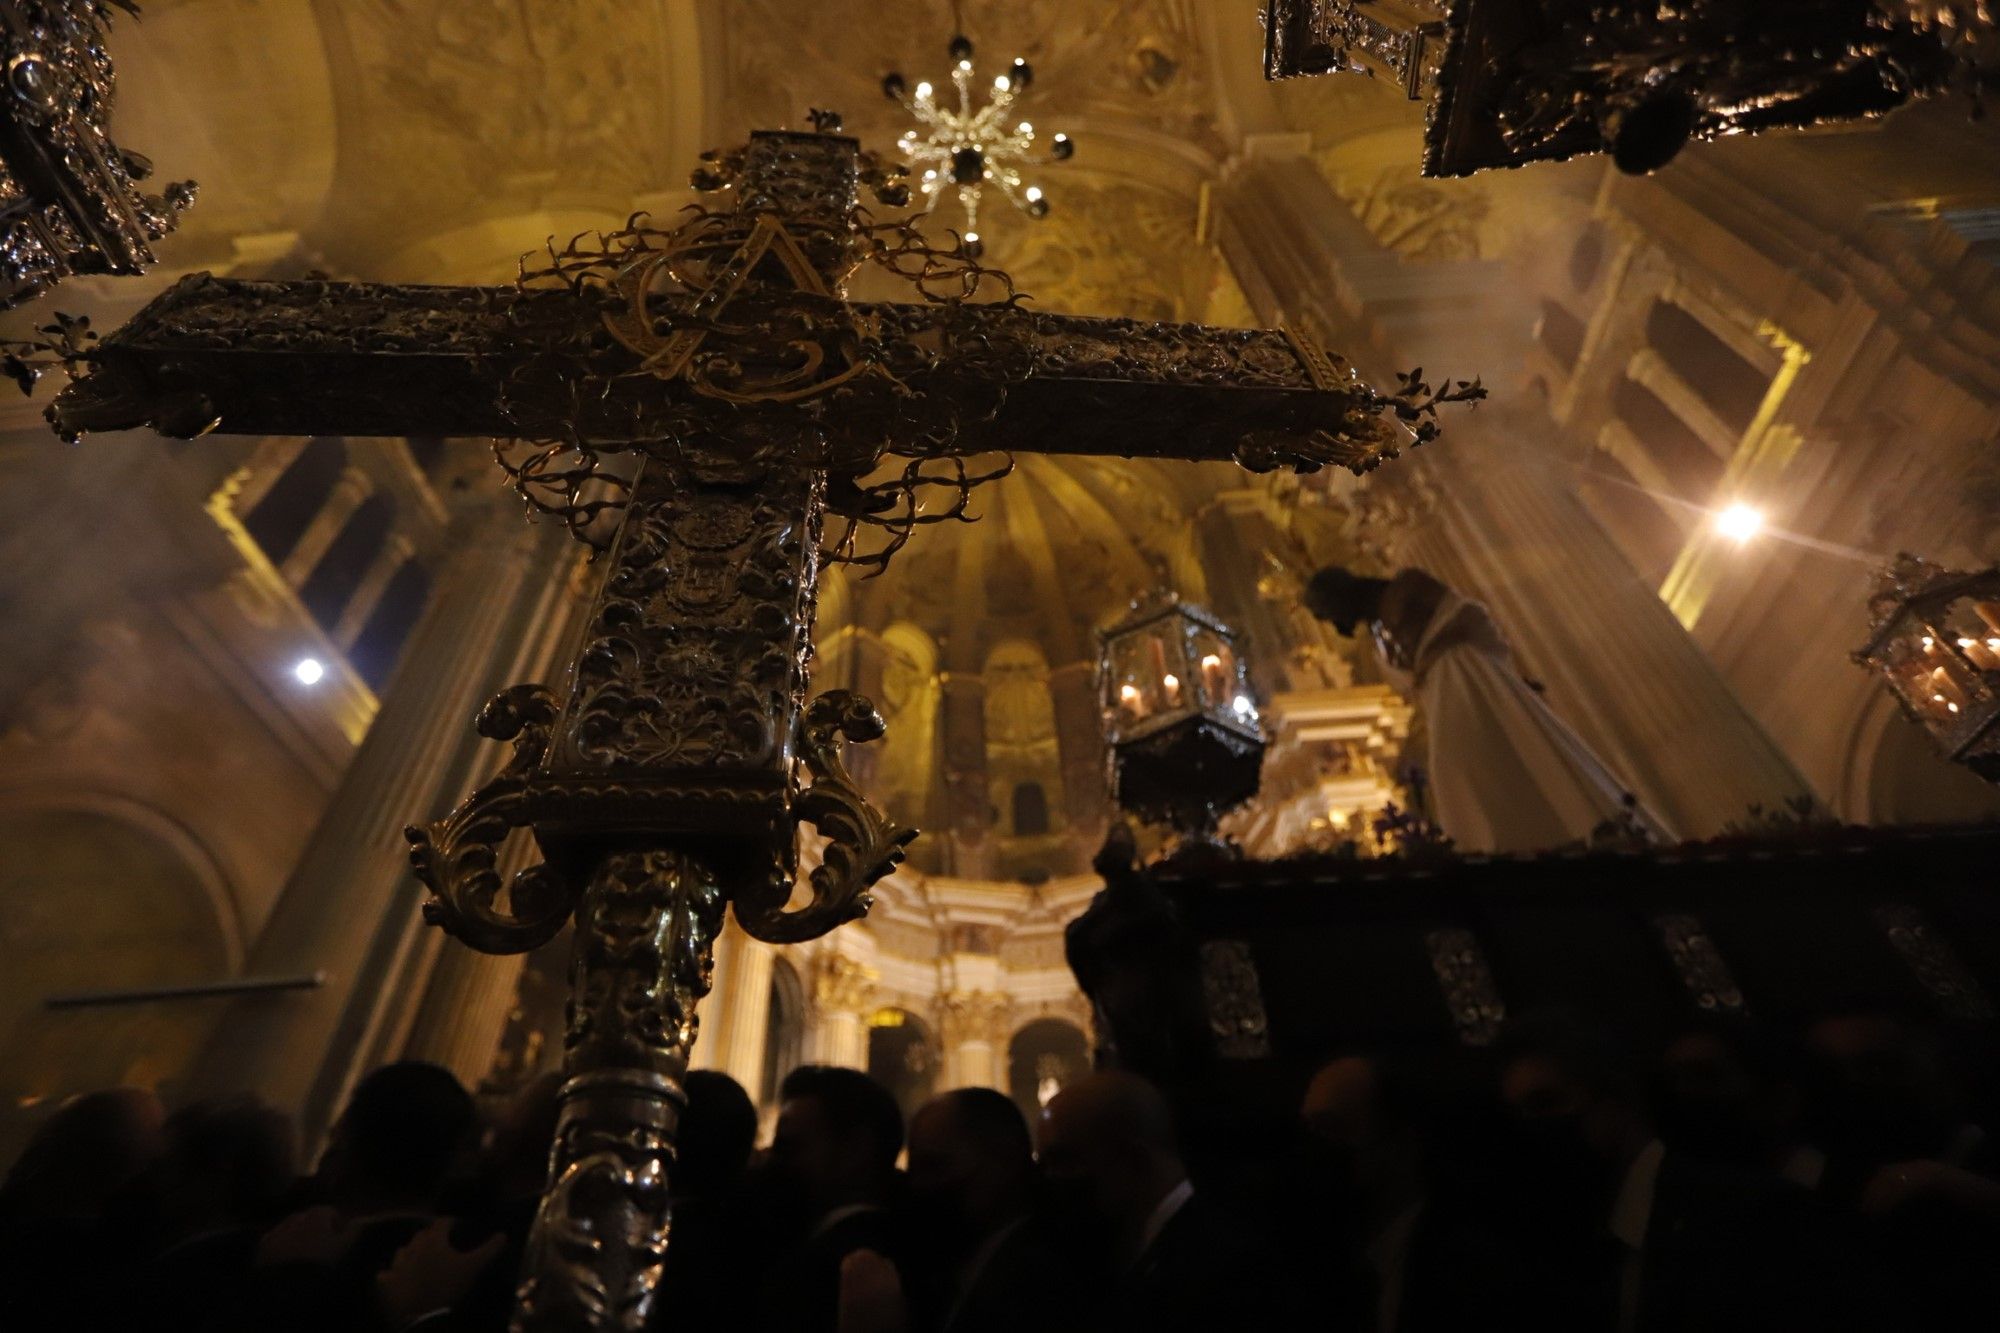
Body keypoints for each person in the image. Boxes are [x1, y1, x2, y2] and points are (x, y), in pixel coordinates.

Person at [1302, 564, 1666, 853]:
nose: (1334, 622)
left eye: (1327, 609)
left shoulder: (1408, 588)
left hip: (1468, 678)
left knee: (1510, 749)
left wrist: (1439, 655)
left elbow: (1466, 616)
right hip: (1441, 698)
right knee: (1463, 775)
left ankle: (1583, 827)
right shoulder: (1378, 637)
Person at [1037, 1071, 1283, 1333]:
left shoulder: (1228, 1266)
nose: (1049, 1179)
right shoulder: (1124, 1249)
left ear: (1133, 1159)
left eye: (1064, 1161)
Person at [904, 1087, 1083, 1333]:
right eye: (915, 1170)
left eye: (935, 1166)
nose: (919, 1185)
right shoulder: (961, 1270)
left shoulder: (1040, 1285)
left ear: (1004, 1160)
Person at [755, 1065, 911, 1333]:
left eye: (790, 1147)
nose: (770, 1160)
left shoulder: (835, 1269)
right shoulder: (901, 1247)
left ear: (856, 1152)